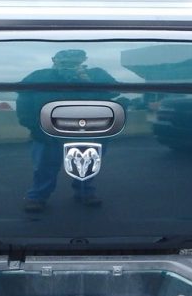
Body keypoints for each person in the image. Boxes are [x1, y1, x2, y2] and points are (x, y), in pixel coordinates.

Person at [16, 49, 118, 213]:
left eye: (74, 62)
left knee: (87, 164)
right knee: (44, 166)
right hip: (47, 131)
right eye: (65, 62)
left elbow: (115, 92)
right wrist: (33, 125)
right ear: (54, 60)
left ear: (84, 60)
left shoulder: (97, 74)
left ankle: (85, 192)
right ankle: (37, 197)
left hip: (89, 131)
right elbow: (23, 100)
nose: (69, 65)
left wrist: (88, 81)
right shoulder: (37, 76)